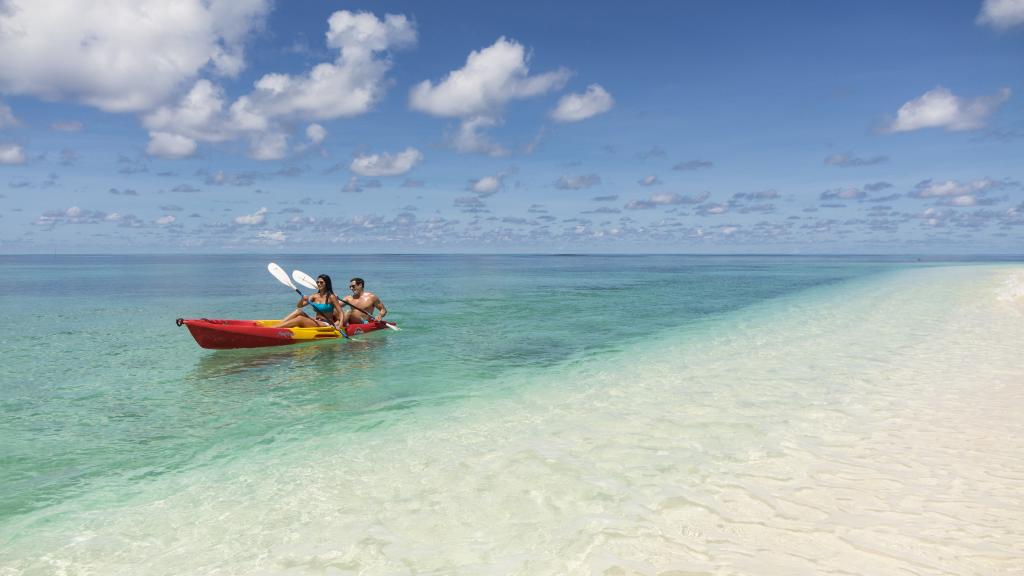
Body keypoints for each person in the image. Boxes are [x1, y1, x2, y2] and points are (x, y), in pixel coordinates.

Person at [274, 274, 346, 330]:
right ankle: (278, 326)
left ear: (326, 284)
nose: (319, 284)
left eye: (321, 282)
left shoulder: (331, 297)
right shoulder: (314, 296)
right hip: (316, 321)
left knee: (300, 319)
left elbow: (340, 312)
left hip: (326, 323)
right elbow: (299, 306)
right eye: (317, 282)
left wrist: (340, 325)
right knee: (298, 311)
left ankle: (273, 328)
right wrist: (302, 299)